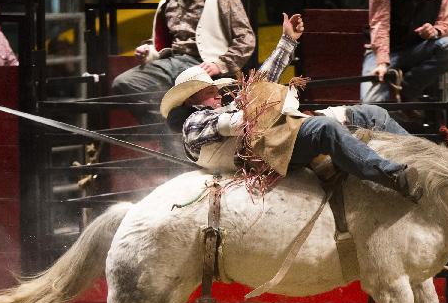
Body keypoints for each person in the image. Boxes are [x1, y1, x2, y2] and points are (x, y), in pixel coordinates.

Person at [161, 12, 412, 196]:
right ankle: (393, 174)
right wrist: (259, 104)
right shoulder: (193, 124)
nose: (218, 94)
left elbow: (260, 85)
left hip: (282, 133)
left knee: (371, 113)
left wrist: (287, 41)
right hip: (270, 149)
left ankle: (421, 159)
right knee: (325, 129)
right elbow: (238, 123)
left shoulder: (225, 108)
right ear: (192, 100)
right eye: (210, 91)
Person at [111, 0, 255, 125]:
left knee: (188, 91)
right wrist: (148, 49)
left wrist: (221, 64)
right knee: (124, 83)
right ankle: (169, 127)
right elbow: (164, 41)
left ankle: (177, 128)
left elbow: (246, 37)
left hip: (202, 63)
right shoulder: (169, 0)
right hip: (171, 61)